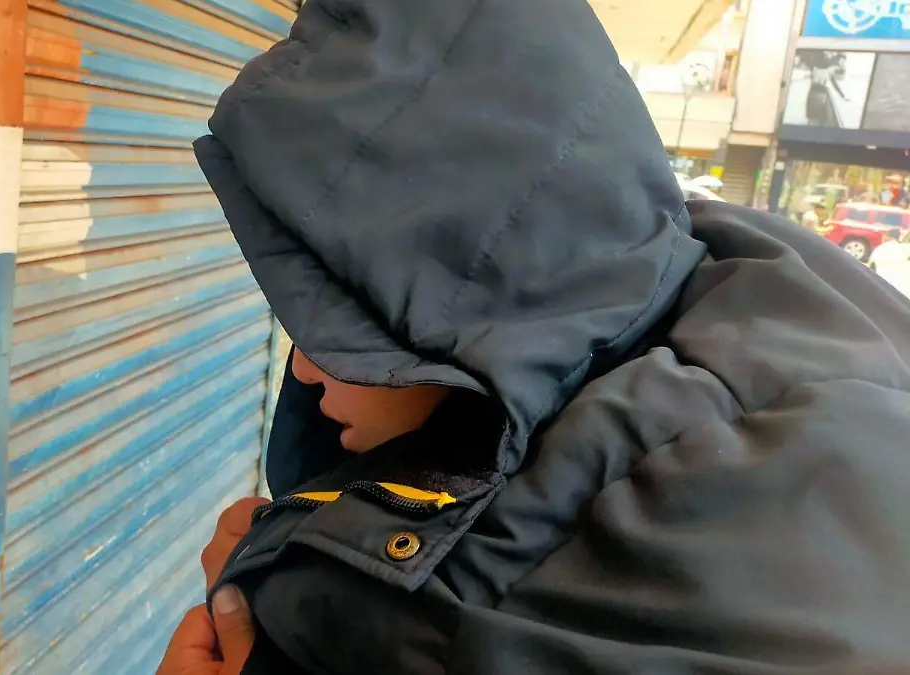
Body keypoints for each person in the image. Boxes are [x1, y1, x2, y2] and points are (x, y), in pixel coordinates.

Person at [161, 0, 910, 673]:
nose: (304, 369)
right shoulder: (744, 284)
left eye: (339, 317)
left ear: (463, 280)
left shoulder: (492, 593)